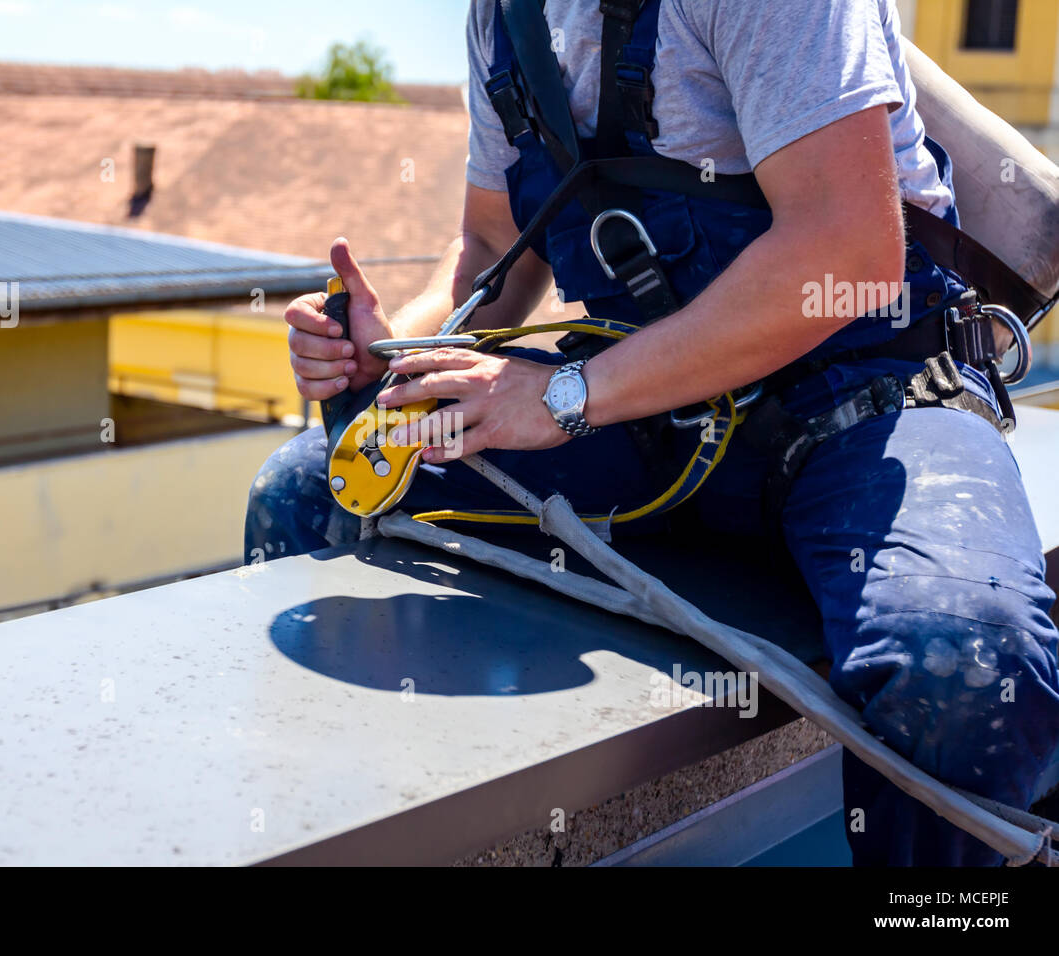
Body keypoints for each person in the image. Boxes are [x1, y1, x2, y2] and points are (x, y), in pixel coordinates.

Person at [246, 0, 1059, 866]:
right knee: (308, 490)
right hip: (651, 406)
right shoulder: (506, 15)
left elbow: (849, 254)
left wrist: (565, 395)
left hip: (871, 399)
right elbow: (495, 242)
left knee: (962, 661)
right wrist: (398, 350)